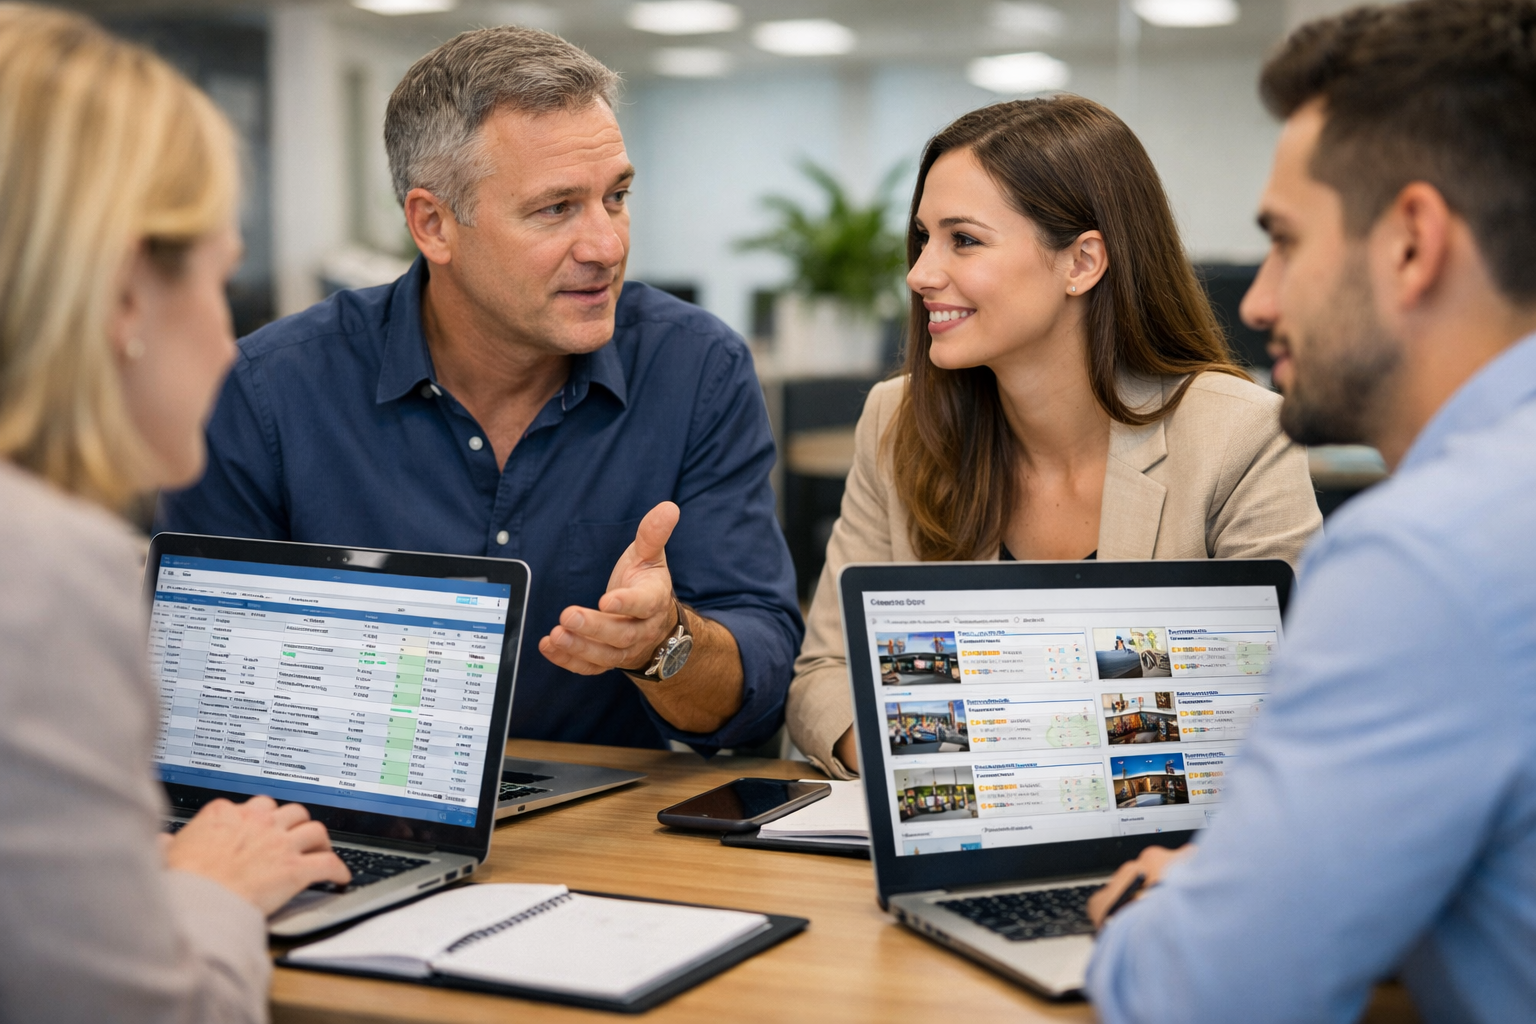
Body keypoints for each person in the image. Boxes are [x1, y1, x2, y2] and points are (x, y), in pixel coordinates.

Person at [156, 27, 801, 754]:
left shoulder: (697, 369)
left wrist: (665, 643)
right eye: (556, 208)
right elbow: (198, 693)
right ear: (433, 224)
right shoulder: (265, 392)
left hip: (606, 817)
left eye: (616, 197)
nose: (608, 245)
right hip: (336, 804)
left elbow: (759, 687)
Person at [1085, 2, 1536, 1020]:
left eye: (1284, 242)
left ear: (1412, 243)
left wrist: (1189, 905)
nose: (1258, 302)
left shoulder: (1423, 562)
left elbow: (1199, 998)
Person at [786, 96, 1323, 778]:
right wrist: (938, 763)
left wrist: (1005, 750)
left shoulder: (1239, 436)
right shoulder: (898, 421)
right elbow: (824, 676)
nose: (920, 273)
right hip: (965, 822)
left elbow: (1293, 701)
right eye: (923, 238)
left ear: (1082, 262)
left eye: (964, 239)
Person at [0, 8, 351, 1020]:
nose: (230, 341)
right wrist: (213, 888)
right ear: (123, 295)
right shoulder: (45, 572)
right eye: (218, 277)